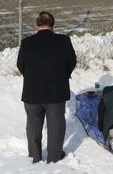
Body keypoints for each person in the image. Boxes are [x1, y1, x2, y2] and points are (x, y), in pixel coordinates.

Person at [17, 11, 77, 163]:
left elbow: (20, 65)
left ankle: (34, 156)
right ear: (53, 26)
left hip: (32, 92)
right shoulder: (64, 41)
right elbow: (71, 62)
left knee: (33, 127)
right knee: (56, 127)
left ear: (36, 25)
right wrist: (62, 75)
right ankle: (54, 157)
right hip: (56, 92)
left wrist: (32, 77)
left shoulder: (27, 42)